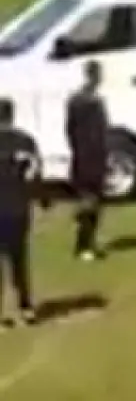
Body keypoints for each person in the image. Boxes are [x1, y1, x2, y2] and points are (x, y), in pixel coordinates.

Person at [0, 99, 42, 325]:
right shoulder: (25, 141)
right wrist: (40, 198)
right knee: (19, 260)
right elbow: (35, 173)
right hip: (17, 208)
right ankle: (25, 308)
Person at [66, 59, 110, 262]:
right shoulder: (88, 102)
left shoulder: (80, 100)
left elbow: (69, 129)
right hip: (89, 157)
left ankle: (89, 241)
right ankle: (82, 244)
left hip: (88, 155)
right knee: (89, 201)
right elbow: (93, 131)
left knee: (94, 201)